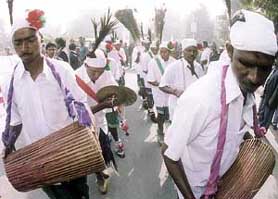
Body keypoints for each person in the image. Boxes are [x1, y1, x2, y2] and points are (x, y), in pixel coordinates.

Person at [162, 9, 277, 199]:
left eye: (264, 68)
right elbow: (168, 153)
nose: (255, 77)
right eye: (246, 63)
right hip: (195, 191)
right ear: (230, 51)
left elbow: (231, 131)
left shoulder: (244, 92)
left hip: (223, 186)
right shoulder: (202, 98)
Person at [2, 9, 93, 199]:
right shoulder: (12, 82)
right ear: (13, 46)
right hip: (40, 160)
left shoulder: (61, 70)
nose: (25, 47)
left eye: (30, 40)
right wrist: (8, 145)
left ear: (40, 40)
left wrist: (88, 133)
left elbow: (80, 105)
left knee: (80, 194)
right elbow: (15, 122)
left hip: (71, 152)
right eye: (18, 43)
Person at [76, 49, 119, 194]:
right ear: (85, 65)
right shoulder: (75, 78)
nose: (97, 75)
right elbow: (79, 113)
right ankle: (97, 175)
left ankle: (101, 176)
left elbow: (115, 91)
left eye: (100, 72)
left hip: (100, 122)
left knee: (102, 151)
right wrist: (103, 105)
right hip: (82, 125)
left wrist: (114, 100)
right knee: (89, 154)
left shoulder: (105, 74)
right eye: (93, 71)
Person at [159, 38, 205, 121]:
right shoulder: (173, 67)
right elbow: (162, 86)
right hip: (177, 109)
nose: (192, 53)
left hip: (194, 109)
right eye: (189, 50)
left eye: (194, 51)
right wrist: (175, 91)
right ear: (183, 52)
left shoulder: (198, 67)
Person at [147, 42, 176, 145]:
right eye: (161, 52)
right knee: (160, 115)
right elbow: (150, 80)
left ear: (169, 52)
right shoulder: (153, 62)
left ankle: (172, 136)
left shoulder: (174, 62)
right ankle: (160, 133)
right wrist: (161, 85)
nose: (163, 54)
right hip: (159, 94)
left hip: (171, 94)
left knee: (172, 115)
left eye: (165, 52)